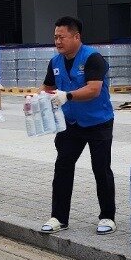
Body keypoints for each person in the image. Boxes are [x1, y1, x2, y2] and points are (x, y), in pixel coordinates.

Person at [40, 16, 116, 235]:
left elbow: (93, 89)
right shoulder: (55, 62)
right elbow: (47, 87)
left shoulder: (93, 58)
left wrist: (68, 96)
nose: (57, 41)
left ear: (76, 36)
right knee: (62, 166)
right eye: (55, 37)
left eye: (61, 37)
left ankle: (107, 217)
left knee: (101, 168)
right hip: (70, 124)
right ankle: (59, 217)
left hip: (98, 122)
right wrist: (35, 100)